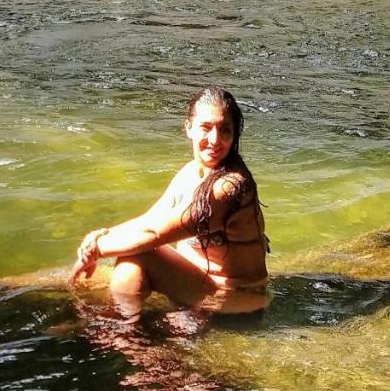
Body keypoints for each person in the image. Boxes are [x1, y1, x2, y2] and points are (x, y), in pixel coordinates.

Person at [70, 87, 270, 316]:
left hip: (234, 298)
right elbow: (150, 220)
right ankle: (123, 327)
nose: (215, 140)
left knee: (141, 254)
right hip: (197, 282)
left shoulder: (229, 187)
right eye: (206, 127)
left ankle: (122, 334)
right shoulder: (191, 172)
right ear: (189, 128)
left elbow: (155, 235)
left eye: (225, 130)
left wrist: (97, 249)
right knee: (128, 265)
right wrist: (98, 237)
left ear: (234, 135)